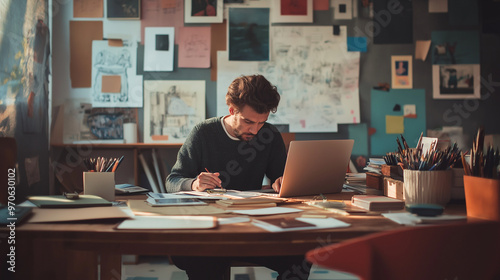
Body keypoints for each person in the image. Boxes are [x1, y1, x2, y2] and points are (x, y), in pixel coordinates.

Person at [165, 74, 311, 280]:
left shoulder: (269, 135)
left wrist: (282, 181)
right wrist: (194, 184)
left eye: (262, 122)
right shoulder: (203, 133)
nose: (255, 130)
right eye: (248, 121)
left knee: (302, 256)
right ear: (232, 110)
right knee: (201, 262)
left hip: (253, 230)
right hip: (211, 232)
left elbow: (281, 177)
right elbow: (172, 180)